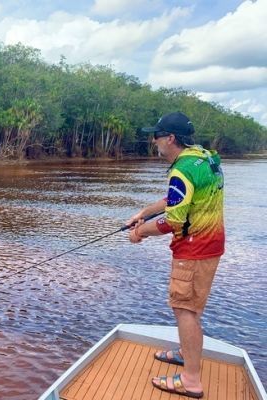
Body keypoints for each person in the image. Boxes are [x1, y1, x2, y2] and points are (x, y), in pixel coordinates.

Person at [127, 111, 225, 399]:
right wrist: (143, 213)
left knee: (185, 310)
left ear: (170, 138)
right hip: (211, 244)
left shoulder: (181, 169)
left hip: (194, 250)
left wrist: (140, 231)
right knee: (191, 306)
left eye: (156, 136)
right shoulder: (202, 157)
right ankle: (186, 353)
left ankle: (191, 380)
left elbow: (173, 221)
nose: (153, 141)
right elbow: (176, 199)